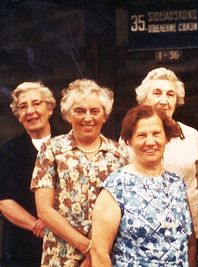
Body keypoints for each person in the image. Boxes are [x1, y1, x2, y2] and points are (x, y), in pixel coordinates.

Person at [30, 79, 128, 266]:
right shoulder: (51, 149)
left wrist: (98, 252)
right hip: (61, 254)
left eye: (95, 111)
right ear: (68, 115)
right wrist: (87, 247)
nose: (88, 118)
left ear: (105, 116)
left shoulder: (120, 154)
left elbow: (124, 210)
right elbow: (44, 210)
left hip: (107, 255)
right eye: (80, 111)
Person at [90, 105, 193, 266]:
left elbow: (188, 243)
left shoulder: (177, 184)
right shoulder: (117, 186)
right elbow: (99, 252)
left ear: (166, 138)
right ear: (129, 141)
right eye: (141, 135)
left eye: (156, 134)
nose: (150, 142)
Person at [123, 67, 198, 265]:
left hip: (191, 232)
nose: (164, 100)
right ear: (145, 99)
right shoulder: (132, 137)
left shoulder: (192, 135)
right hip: (145, 233)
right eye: (157, 93)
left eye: (170, 94)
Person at [0, 82, 57, 266]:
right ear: (18, 116)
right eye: (23, 107)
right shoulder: (9, 151)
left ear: (49, 109)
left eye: (36, 103)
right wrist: (37, 225)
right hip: (22, 246)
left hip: (64, 240)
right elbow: (4, 200)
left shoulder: (67, 144)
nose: (30, 111)